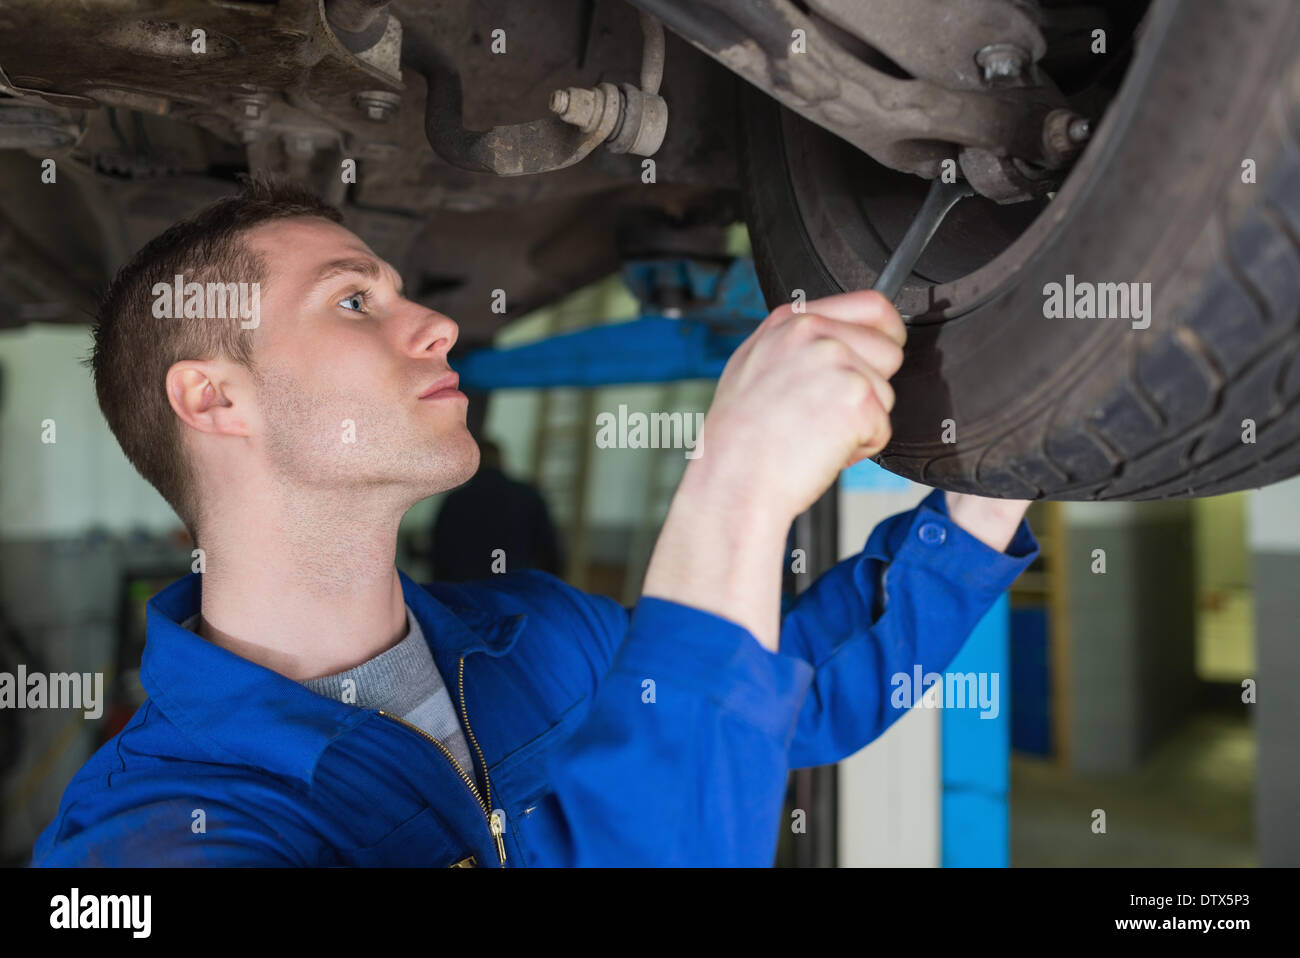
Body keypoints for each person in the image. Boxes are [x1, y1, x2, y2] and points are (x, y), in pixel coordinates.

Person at [31, 178, 1037, 867]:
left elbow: (795, 689)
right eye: (350, 301)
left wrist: (998, 474)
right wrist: (731, 488)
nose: (436, 324)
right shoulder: (148, 831)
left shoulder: (536, 630)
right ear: (213, 400)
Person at [431, 439, 563, 581]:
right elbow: (550, 554)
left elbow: (438, 554)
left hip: (463, 592)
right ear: (501, 460)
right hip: (514, 589)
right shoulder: (528, 494)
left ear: (472, 462)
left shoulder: (454, 500)